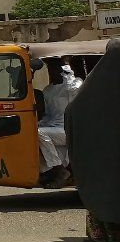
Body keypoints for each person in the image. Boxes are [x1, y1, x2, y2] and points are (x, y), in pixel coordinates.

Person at [66, 39, 120, 242]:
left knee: (99, 191)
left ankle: (103, 235)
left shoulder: (93, 85)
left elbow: (72, 112)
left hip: (97, 153)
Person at [37, 59, 81, 187]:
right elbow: (48, 115)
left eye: (55, 69)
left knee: (40, 133)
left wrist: (68, 75)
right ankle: (48, 172)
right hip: (54, 129)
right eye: (50, 69)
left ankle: (59, 170)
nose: (52, 72)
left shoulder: (71, 85)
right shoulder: (47, 90)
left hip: (69, 129)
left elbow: (77, 89)